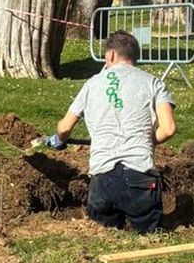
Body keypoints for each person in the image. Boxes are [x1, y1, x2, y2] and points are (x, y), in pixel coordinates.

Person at [45, 30, 177, 233]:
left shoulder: (92, 84)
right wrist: (145, 140)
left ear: (111, 55)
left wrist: (58, 140)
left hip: (102, 181)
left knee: (105, 238)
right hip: (140, 179)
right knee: (149, 239)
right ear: (135, 56)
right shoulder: (153, 83)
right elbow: (168, 129)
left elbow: (64, 128)